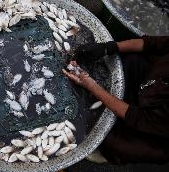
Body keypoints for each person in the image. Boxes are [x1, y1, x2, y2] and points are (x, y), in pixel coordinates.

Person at [62, 36, 169, 164]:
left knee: (113, 142)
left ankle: (104, 153)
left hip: (157, 131)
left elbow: (138, 117)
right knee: (131, 59)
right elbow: (152, 43)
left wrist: (92, 86)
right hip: (152, 83)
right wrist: (108, 47)